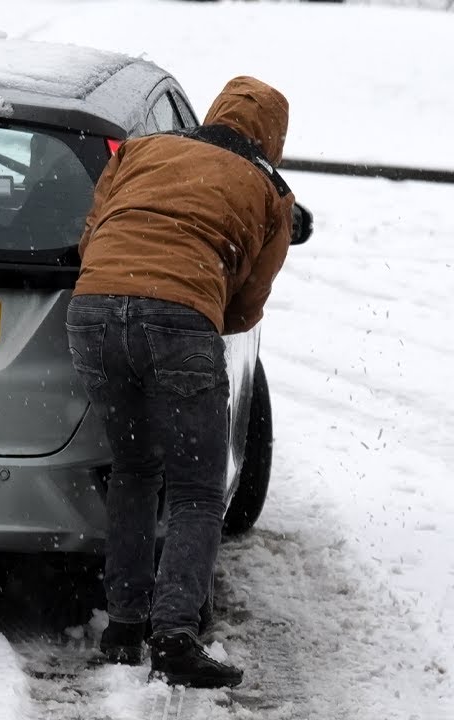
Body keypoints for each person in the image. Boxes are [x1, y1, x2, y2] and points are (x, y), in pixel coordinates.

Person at [66, 76, 294, 688]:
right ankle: (174, 636)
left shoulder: (143, 150)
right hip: (181, 316)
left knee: (134, 469)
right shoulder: (269, 189)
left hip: (91, 312)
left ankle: (123, 625)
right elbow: (246, 307)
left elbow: (93, 235)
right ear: (273, 137)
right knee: (195, 488)